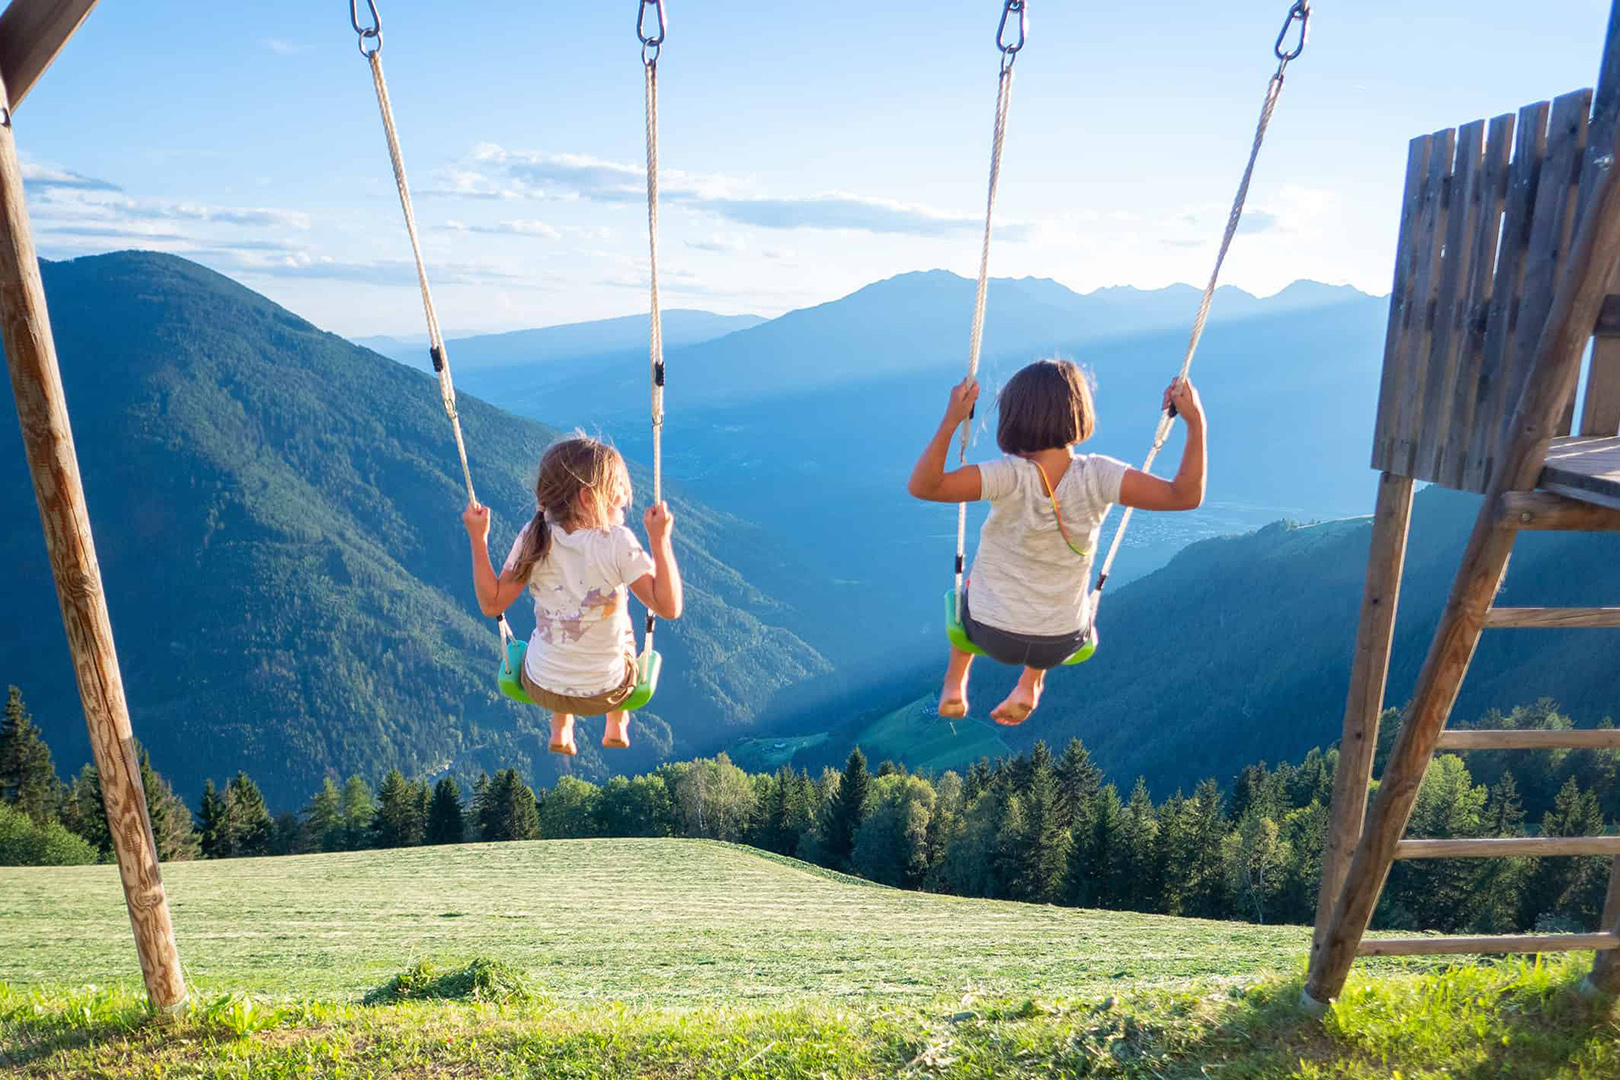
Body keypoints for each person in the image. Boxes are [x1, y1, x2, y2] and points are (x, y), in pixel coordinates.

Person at [908, 359, 1206, 725]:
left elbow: (924, 486)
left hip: (990, 633)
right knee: (1052, 601)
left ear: (1014, 418)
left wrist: (951, 420)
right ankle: (1030, 684)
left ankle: (955, 683)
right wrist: (1195, 422)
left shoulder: (1006, 476)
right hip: (1061, 641)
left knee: (968, 589)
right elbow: (1184, 496)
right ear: (1079, 413)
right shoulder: (1101, 475)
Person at [463, 435, 683, 755]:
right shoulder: (617, 542)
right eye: (617, 489)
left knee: (558, 633)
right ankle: (616, 722)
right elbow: (669, 607)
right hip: (608, 691)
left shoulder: (533, 536)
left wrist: (478, 539)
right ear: (588, 498)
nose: (623, 496)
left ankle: (560, 729)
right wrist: (660, 541)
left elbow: (492, 603)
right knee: (624, 627)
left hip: (540, 687)